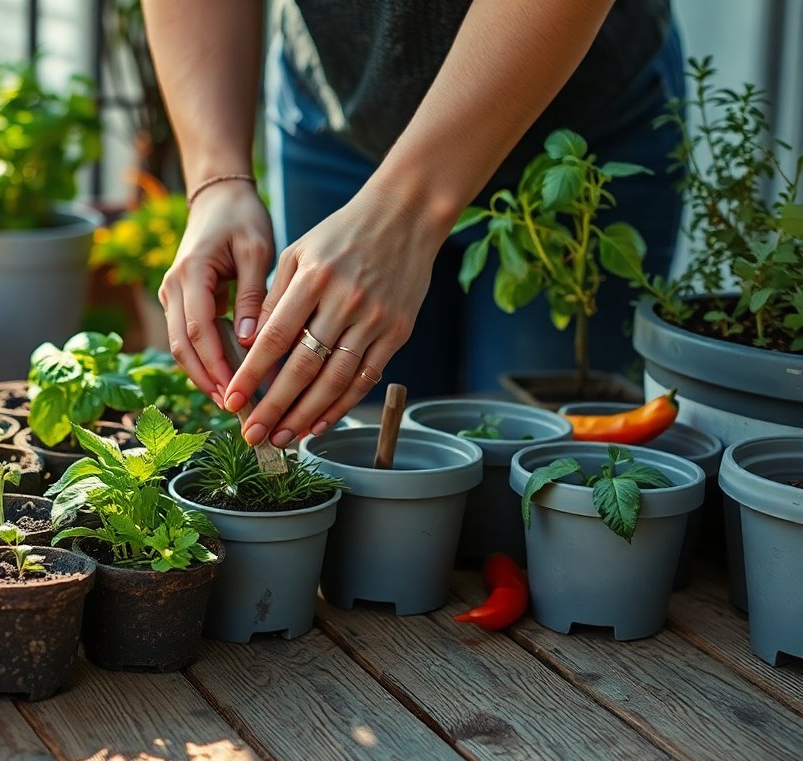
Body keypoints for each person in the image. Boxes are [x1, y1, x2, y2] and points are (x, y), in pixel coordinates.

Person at [141, 0, 684, 448]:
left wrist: (406, 209)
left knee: (542, 468)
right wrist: (218, 180)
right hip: (340, 113)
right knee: (346, 447)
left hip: (573, 130)